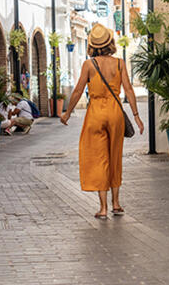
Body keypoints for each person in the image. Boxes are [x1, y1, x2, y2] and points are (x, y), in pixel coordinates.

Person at [60, 24, 144, 219]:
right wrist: (136, 116)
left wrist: (67, 113)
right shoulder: (119, 63)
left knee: (99, 158)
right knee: (115, 156)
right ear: (110, 43)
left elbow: (78, 90)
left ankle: (103, 207)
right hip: (115, 113)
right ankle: (116, 203)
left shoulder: (89, 65)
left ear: (92, 45)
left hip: (96, 112)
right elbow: (129, 90)